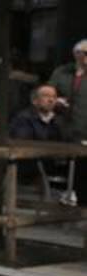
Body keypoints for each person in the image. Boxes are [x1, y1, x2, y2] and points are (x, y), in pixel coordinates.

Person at [49, 39, 87, 205]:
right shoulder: (62, 72)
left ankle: (79, 197)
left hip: (84, 126)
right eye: (84, 53)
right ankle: (67, 191)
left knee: (81, 164)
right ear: (76, 54)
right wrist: (55, 100)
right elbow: (48, 92)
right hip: (63, 125)